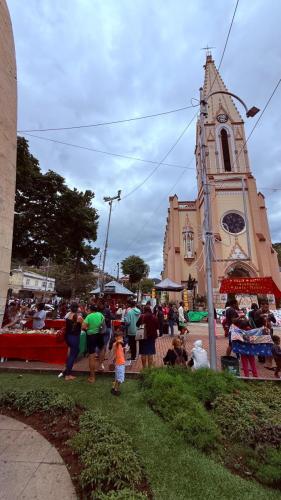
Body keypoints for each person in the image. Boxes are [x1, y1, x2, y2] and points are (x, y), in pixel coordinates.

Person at [82, 304, 105, 383]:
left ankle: (92, 376)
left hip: (91, 336)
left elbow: (83, 327)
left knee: (92, 354)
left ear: (90, 310)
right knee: (102, 348)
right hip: (100, 334)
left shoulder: (89, 316)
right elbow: (103, 324)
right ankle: (100, 366)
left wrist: (89, 328)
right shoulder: (100, 314)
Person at [62, 303, 83, 381]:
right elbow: (85, 326)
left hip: (68, 336)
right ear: (77, 308)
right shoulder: (79, 317)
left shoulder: (68, 315)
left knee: (72, 353)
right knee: (73, 355)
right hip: (74, 337)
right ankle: (68, 374)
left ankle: (66, 369)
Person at [253, 301, 276, 369]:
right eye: (265, 307)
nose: (266, 308)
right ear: (261, 305)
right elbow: (256, 322)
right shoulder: (258, 312)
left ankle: (266, 361)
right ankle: (261, 358)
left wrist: (272, 317)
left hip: (269, 330)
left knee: (269, 344)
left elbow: (274, 321)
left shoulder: (269, 312)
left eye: (267, 307)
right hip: (261, 331)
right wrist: (261, 317)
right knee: (262, 344)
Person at [111, 327, 126, 396]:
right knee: (120, 379)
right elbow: (116, 344)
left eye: (122, 337)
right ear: (116, 338)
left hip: (120, 363)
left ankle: (114, 388)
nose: (121, 339)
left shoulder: (119, 345)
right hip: (120, 364)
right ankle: (116, 390)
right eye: (120, 337)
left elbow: (120, 352)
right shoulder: (116, 344)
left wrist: (124, 348)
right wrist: (119, 341)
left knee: (117, 378)